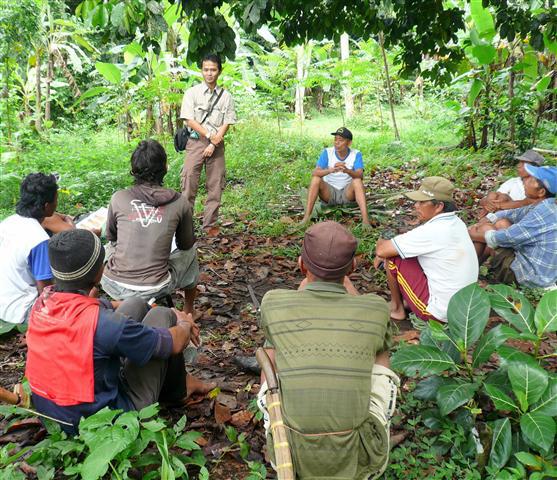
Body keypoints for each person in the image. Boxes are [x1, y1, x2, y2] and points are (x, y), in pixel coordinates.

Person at [25, 229, 211, 435]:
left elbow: (107, 305)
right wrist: (184, 321)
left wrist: (149, 307)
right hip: (101, 423)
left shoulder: (43, 302)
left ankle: (175, 383)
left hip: (55, 416)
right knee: (163, 318)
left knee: (135, 304)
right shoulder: (103, 324)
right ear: (99, 272)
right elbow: (174, 342)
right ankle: (178, 392)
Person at [257, 221, 398, 479]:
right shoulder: (376, 309)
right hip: (360, 453)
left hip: (288, 450)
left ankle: (273, 417)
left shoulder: (273, 302)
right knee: (379, 348)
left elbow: (302, 299)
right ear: (352, 268)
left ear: (301, 264)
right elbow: (352, 303)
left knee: (273, 344)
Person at [101, 140, 199, 314]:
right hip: (156, 286)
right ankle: (189, 309)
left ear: (133, 169)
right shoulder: (179, 202)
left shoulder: (118, 197)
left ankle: (96, 299)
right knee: (191, 252)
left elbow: (111, 236)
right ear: (165, 168)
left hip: (114, 283)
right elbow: (185, 245)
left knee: (109, 246)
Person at [375, 176, 478, 322]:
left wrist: (386, 234)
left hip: (440, 314)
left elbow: (381, 250)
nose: (416, 206)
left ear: (439, 207)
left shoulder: (432, 231)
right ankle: (407, 301)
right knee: (404, 252)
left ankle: (397, 308)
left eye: (422, 202)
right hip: (465, 310)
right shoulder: (456, 222)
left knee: (393, 258)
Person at [469, 165, 557, 287]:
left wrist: (474, 233)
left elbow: (506, 237)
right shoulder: (548, 205)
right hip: (539, 272)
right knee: (496, 223)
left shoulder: (541, 214)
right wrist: (489, 217)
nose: (525, 181)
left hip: (529, 277)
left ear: (541, 192)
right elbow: (515, 213)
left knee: (485, 230)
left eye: (531, 179)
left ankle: (468, 272)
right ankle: (473, 268)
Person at [180, 53, 236, 230]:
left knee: (215, 186)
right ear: (201, 71)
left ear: (219, 71)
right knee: (188, 184)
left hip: (217, 146)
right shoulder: (192, 93)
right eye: (206, 70)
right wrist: (209, 136)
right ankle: (186, 228)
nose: (209, 73)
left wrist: (213, 143)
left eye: (213, 70)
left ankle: (209, 225)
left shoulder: (226, 96)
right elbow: (189, 120)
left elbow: (227, 121)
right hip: (195, 143)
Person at [0, 173, 58, 324]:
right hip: (21, 311)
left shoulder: (7, 222)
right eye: (56, 199)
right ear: (46, 206)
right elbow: (46, 292)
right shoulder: (39, 240)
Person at [301, 127, 371, 228]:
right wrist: (331, 170)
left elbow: (360, 175)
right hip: (329, 194)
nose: (336, 143)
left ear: (349, 143)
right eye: (335, 139)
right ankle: (306, 217)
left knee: (357, 181)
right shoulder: (327, 152)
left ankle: (365, 221)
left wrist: (347, 170)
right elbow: (315, 172)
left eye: (341, 140)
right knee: (316, 179)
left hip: (347, 194)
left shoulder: (356, 154)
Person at [478, 149, 545, 216]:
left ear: (534, 168)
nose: (518, 165)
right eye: (520, 162)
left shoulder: (539, 185)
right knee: (496, 195)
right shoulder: (514, 181)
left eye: (524, 163)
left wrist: (499, 205)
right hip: (500, 212)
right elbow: (497, 195)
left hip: (520, 217)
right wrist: (489, 201)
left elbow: (527, 203)